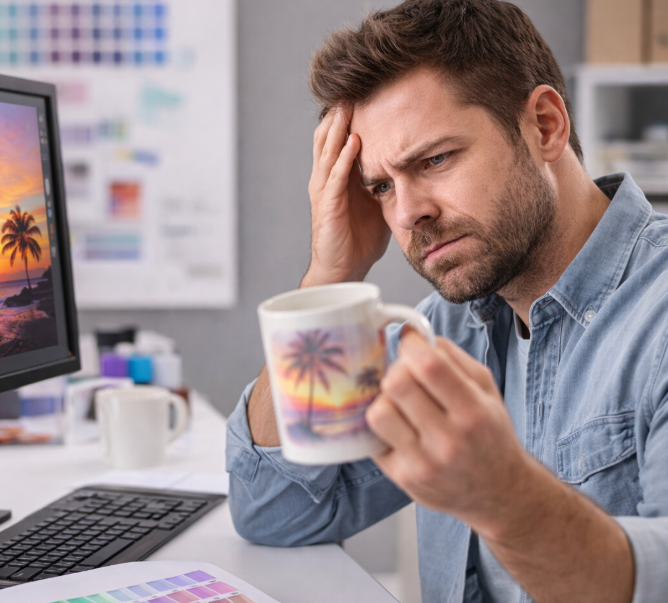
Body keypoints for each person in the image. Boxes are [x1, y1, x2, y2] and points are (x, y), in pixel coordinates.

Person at [225, 1, 668, 602]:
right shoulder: (444, 330)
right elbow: (276, 512)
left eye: (434, 160)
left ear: (544, 125)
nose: (408, 214)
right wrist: (331, 279)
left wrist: (506, 498)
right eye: (381, 186)